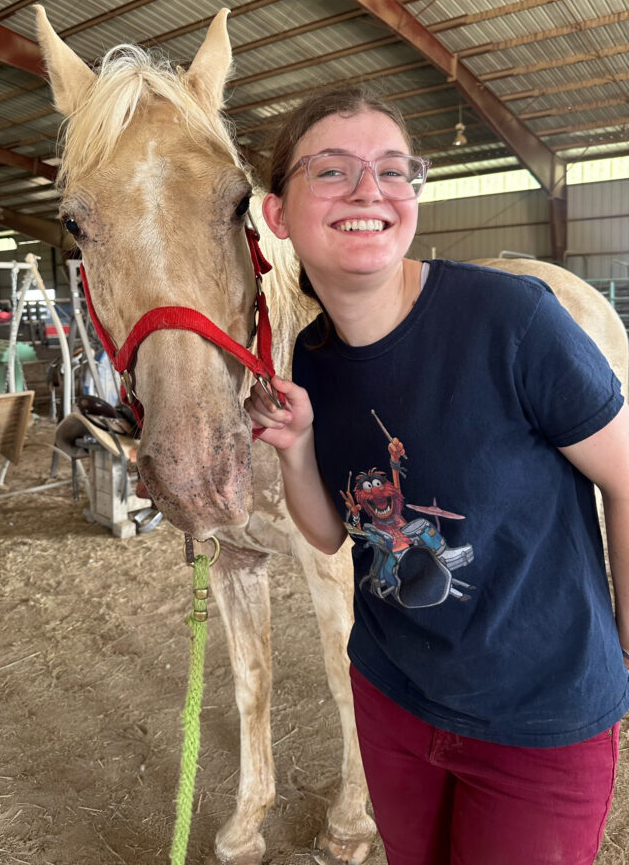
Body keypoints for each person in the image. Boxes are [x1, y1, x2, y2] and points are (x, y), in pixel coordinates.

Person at [245, 84, 629, 865]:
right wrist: (296, 446)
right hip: (394, 701)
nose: (368, 191)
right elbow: (329, 536)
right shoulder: (311, 360)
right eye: (331, 171)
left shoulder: (514, 322)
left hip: (537, 721)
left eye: (393, 170)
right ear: (276, 214)